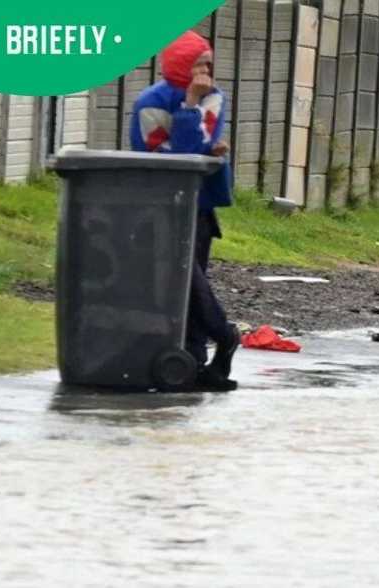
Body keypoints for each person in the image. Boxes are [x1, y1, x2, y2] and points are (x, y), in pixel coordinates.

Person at [130, 30, 240, 391]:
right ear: (179, 66)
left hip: (200, 203)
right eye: (198, 66)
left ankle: (195, 361)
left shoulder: (214, 98)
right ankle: (224, 333)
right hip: (161, 204)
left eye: (209, 64)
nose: (205, 73)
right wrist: (189, 107)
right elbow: (172, 159)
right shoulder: (151, 102)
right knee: (184, 276)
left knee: (194, 278)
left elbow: (192, 152)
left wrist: (193, 110)